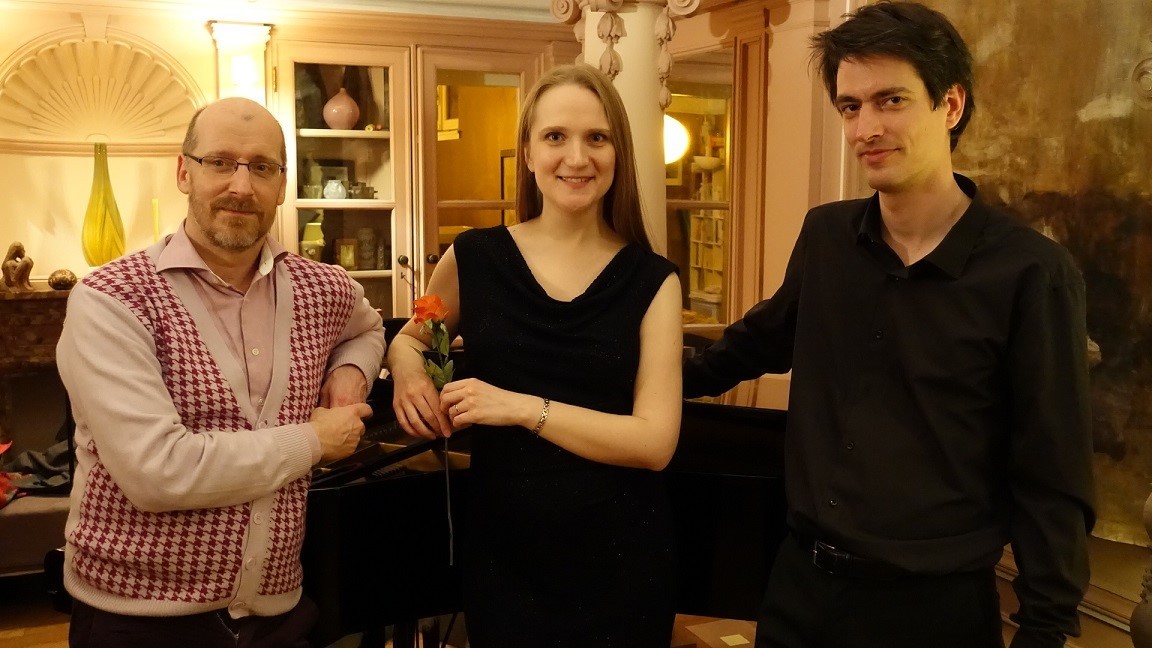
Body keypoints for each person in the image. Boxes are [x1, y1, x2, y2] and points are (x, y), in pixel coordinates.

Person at [683, 3, 1095, 647]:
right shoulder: (827, 237)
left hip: (934, 613)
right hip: (800, 593)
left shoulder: (1031, 273)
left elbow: (1053, 474)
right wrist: (615, 369)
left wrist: (1044, 630)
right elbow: (749, 346)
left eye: (891, 100)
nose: (866, 128)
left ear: (950, 104)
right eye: (850, 107)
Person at [57, 97, 383, 648]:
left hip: (278, 613)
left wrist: (351, 371)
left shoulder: (322, 287)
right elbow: (158, 472)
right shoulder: (112, 299)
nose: (241, 186)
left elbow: (368, 328)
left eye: (262, 167)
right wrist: (313, 441)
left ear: (283, 185)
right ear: (184, 172)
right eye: (220, 162)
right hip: (138, 619)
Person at [388, 63, 683, 647]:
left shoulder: (654, 281)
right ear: (527, 153)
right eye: (555, 136)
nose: (577, 157)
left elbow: (654, 443)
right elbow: (413, 336)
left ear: (618, 153)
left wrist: (523, 409)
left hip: (622, 561)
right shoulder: (473, 257)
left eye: (596, 137)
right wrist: (405, 369)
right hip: (504, 554)